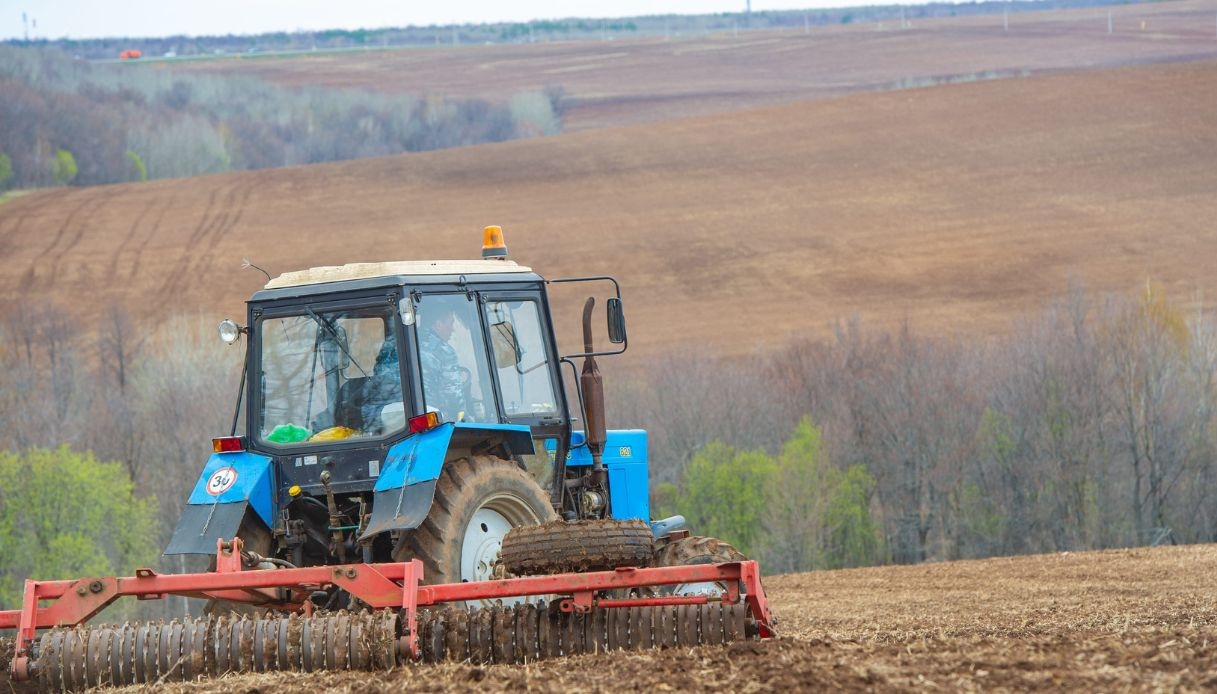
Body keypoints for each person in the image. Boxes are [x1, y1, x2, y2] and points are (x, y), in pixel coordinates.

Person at [419, 307, 466, 421]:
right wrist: (464, 416)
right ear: (439, 324)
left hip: (387, 419)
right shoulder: (443, 350)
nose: (452, 329)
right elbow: (452, 393)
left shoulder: (394, 343)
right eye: (450, 324)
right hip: (429, 419)